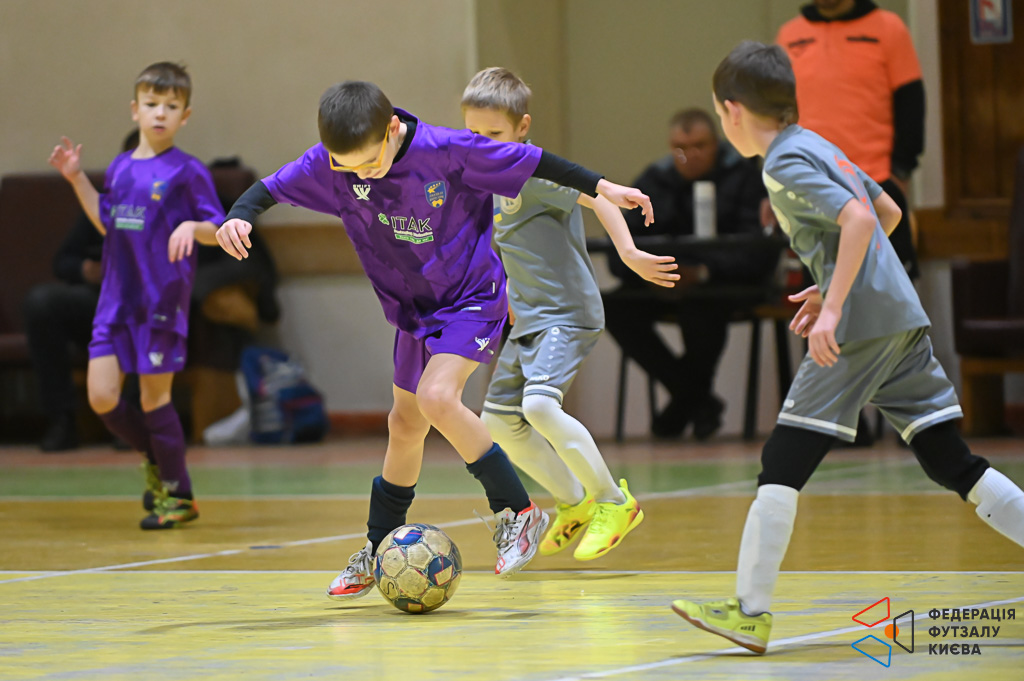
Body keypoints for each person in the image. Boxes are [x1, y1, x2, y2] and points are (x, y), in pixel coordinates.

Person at [215, 80, 655, 599]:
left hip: (472, 298)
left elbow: (536, 161)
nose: (361, 174)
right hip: (413, 314)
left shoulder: (448, 150)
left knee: (437, 397)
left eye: (370, 162)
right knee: (404, 426)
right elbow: (267, 188)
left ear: (392, 130)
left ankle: (517, 511)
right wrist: (238, 217)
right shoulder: (330, 164)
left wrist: (603, 187)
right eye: (347, 167)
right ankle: (377, 547)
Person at [671, 41, 1024, 655]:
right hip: (900, 315)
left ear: (731, 111)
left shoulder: (783, 162)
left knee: (782, 460)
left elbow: (860, 221)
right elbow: (888, 209)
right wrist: (831, 281)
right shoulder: (816, 143)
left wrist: (835, 305)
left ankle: (748, 612)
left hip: (862, 325)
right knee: (949, 460)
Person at [462, 68, 677, 560]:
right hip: (529, 319)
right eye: (473, 133)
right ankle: (573, 502)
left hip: (566, 313)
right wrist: (505, 290)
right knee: (498, 422)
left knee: (539, 407)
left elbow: (599, 196)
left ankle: (615, 502)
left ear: (522, 127)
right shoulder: (484, 179)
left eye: (493, 133)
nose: (482, 144)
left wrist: (628, 253)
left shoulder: (534, 172)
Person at [48, 62, 225, 529]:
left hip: (160, 304)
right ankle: (160, 460)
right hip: (115, 302)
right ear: (135, 110)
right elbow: (108, 221)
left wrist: (193, 227)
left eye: (171, 106)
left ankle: (178, 496)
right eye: (151, 104)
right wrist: (76, 179)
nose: (160, 113)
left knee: (153, 399)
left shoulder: (188, 172)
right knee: (102, 397)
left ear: (185, 115)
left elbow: (219, 228)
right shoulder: (121, 167)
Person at [601, 109, 775, 439]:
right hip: (661, 281)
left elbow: (758, 253)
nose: (689, 155)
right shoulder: (654, 180)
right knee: (615, 308)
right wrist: (652, 274)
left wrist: (704, 272)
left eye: (699, 146)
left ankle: (685, 405)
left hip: (723, 286)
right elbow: (619, 249)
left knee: (702, 310)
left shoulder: (745, 178)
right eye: (680, 148)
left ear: (716, 144)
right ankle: (699, 401)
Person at [777, 0, 924, 280]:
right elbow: (775, 113)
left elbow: (911, 104)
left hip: (875, 186)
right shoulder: (789, 35)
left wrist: (901, 172)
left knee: (888, 296)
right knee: (822, 295)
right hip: (813, 191)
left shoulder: (888, 29)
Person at [25, 132, 140, 452]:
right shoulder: (107, 201)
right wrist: (86, 270)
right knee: (41, 302)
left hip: (148, 305)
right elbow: (63, 261)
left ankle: (133, 420)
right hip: (98, 299)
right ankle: (62, 421)